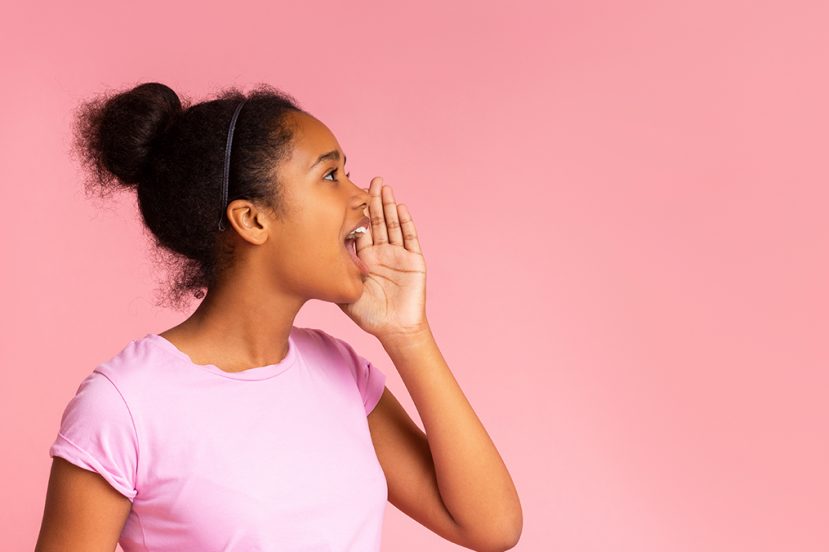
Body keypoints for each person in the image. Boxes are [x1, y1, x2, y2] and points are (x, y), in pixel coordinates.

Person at [35, 82, 522, 551]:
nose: (362, 197)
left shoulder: (340, 370)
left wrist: (408, 334)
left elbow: (490, 527)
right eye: (331, 176)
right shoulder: (126, 404)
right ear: (252, 219)